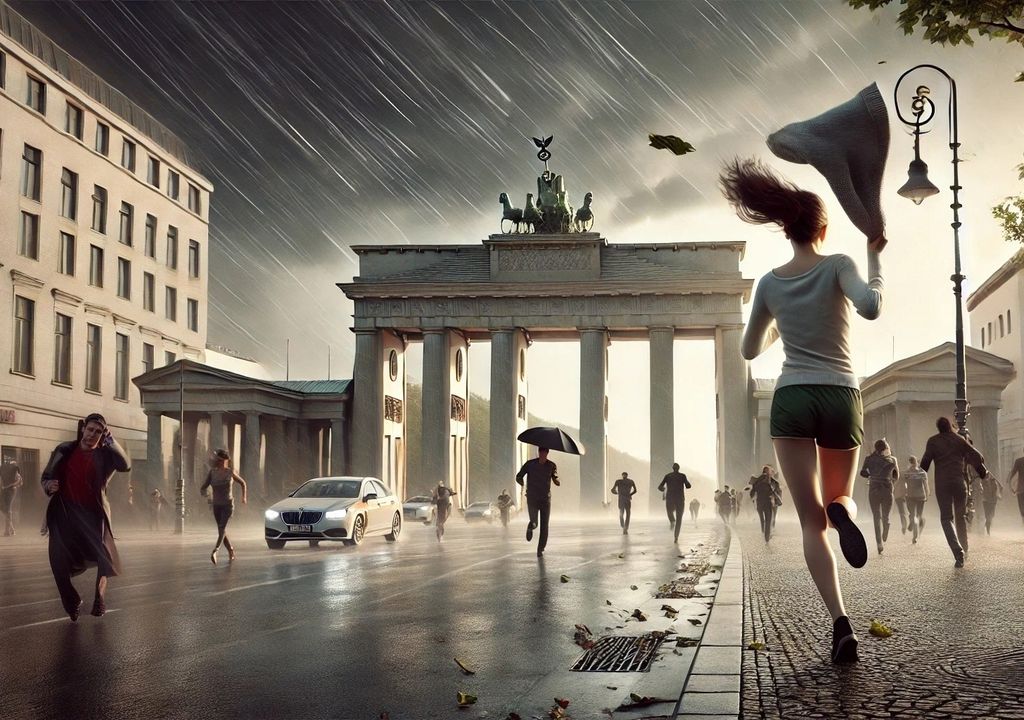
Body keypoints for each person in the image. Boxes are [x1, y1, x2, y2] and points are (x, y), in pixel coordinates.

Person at [722, 156, 885, 664]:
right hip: (839, 393)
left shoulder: (770, 284)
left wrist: (780, 323)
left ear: (785, 228)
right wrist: (874, 262)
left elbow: (749, 351)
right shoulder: (838, 265)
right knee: (840, 500)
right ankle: (845, 510)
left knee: (810, 522)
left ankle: (839, 622)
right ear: (821, 227)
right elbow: (871, 306)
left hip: (790, 398)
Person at [41, 413, 130, 621]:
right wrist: (48, 485)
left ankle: (99, 598)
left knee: (103, 557)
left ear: (103, 434)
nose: (92, 434)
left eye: (98, 432)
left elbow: (125, 465)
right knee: (57, 561)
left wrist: (111, 441)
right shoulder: (64, 449)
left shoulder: (104, 456)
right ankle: (72, 602)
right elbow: (46, 476)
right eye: (90, 429)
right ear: (83, 429)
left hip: (93, 515)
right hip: (64, 514)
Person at [919, 417, 989, 567]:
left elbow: (924, 465)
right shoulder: (959, 439)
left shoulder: (933, 441)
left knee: (946, 519)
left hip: (942, 484)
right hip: (959, 483)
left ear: (938, 428)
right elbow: (978, 456)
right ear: (951, 426)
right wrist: (982, 471)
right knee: (960, 517)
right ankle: (965, 548)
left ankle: (958, 553)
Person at [200, 449, 248, 564]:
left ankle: (215, 551)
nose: (218, 461)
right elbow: (203, 487)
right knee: (222, 530)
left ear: (226, 460)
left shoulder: (230, 472)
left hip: (227, 505)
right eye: (218, 459)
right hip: (216, 505)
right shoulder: (212, 472)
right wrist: (205, 494)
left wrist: (244, 497)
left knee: (222, 528)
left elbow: (243, 483)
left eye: (221, 460)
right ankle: (231, 550)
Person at [516, 447, 560, 556]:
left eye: (545, 454)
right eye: (541, 453)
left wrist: (556, 480)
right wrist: (521, 481)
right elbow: (519, 476)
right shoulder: (530, 464)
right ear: (539, 453)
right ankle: (530, 527)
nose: (543, 456)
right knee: (534, 522)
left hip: (545, 499)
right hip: (532, 498)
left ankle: (540, 549)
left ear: (547, 454)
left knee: (544, 526)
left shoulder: (551, 465)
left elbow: (555, 477)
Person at [860, 439, 898, 555]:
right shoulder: (892, 460)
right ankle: (886, 526)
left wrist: (870, 475)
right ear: (885, 448)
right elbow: (896, 476)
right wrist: (891, 484)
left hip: (874, 489)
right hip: (887, 489)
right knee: (885, 516)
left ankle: (879, 543)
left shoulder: (869, 459)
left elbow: (862, 472)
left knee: (876, 517)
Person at [658, 463, 692, 542]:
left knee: (669, 511)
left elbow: (659, 487)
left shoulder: (667, 476)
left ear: (672, 468)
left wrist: (665, 490)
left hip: (670, 498)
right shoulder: (683, 476)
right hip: (680, 498)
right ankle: (676, 537)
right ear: (678, 468)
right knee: (679, 518)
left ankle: (672, 521)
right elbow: (688, 486)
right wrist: (686, 483)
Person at [903, 456, 929, 544]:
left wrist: (905, 492)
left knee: (913, 515)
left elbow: (904, 484)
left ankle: (914, 533)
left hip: (912, 496)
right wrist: (927, 495)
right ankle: (916, 535)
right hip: (919, 496)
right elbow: (926, 485)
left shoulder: (907, 473)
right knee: (917, 516)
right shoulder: (922, 473)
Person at [749, 466, 778, 542]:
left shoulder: (756, 481)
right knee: (768, 520)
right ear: (768, 472)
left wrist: (753, 499)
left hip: (759, 503)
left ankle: (762, 529)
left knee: (762, 518)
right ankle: (767, 537)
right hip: (767, 503)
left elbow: (752, 492)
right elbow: (773, 490)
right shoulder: (770, 480)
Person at [1, 455, 23, 536]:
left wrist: (11, 486)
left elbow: (20, 482)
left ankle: (7, 531)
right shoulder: (5, 472)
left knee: (8, 509)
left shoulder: (17, 473)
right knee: (4, 509)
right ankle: (12, 529)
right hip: (4, 490)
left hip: (11, 491)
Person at [1006, 454, 1024, 525]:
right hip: (1020, 490)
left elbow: (1011, 475)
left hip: (1021, 490)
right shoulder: (1018, 461)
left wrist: (1011, 487)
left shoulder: (1019, 461)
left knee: (1022, 511)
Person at [892, 460, 908, 536]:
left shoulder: (894, 474)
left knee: (902, 512)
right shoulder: (903, 473)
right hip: (904, 494)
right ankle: (905, 524)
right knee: (903, 511)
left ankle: (904, 525)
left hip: (898, 495)